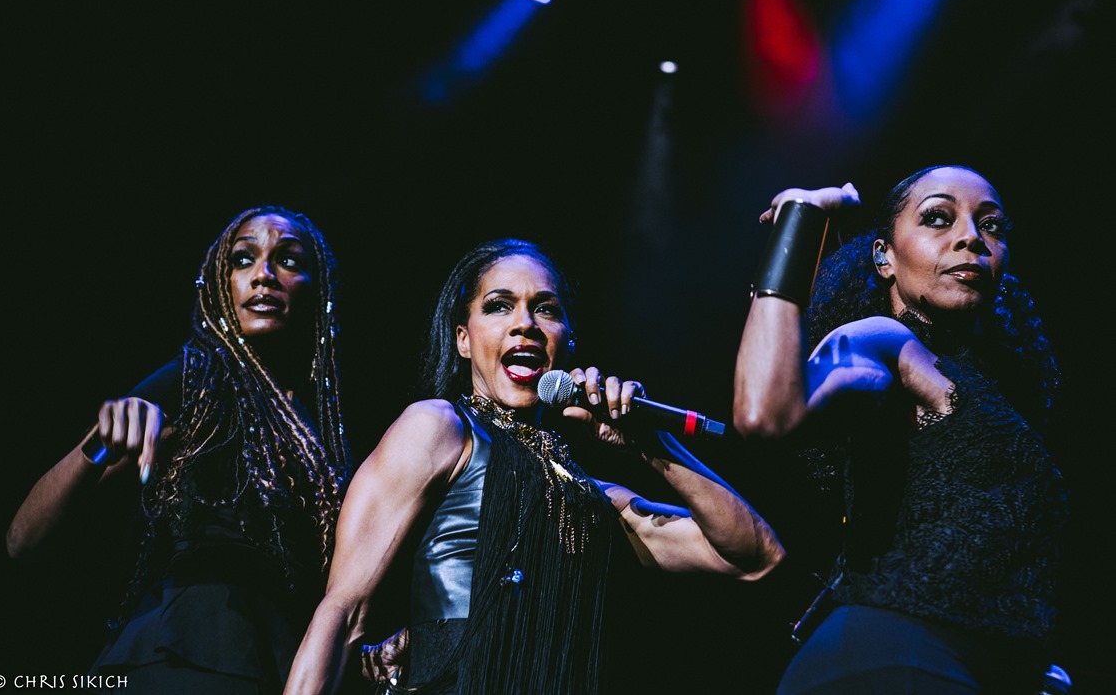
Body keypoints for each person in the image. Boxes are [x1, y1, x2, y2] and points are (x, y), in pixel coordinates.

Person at [284, 237, 786, 695]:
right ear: (463, 339)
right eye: (499, 306)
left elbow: (756, 556)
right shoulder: (437, 428)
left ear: (567, 341)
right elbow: (343, 613)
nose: (524, 323)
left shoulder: (594, 501)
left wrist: (650, 444)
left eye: (545, 309)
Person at [732, 165, 1070, 693]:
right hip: (891, 659)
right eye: (938, 218)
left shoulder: (986, 391)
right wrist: (800, 222)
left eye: (992, 226)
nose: (972, 238)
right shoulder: (887, 341)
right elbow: (764, 411)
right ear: (883, 257)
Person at [6, 205, 352, 694]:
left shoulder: (318, 423)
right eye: (243, 259)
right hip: (186, 653)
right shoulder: (199, 375)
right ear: (219, 286)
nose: (263, 275)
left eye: (288, 260)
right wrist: (101, 444)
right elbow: (22, 539)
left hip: (276, 661)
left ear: (319, 290)